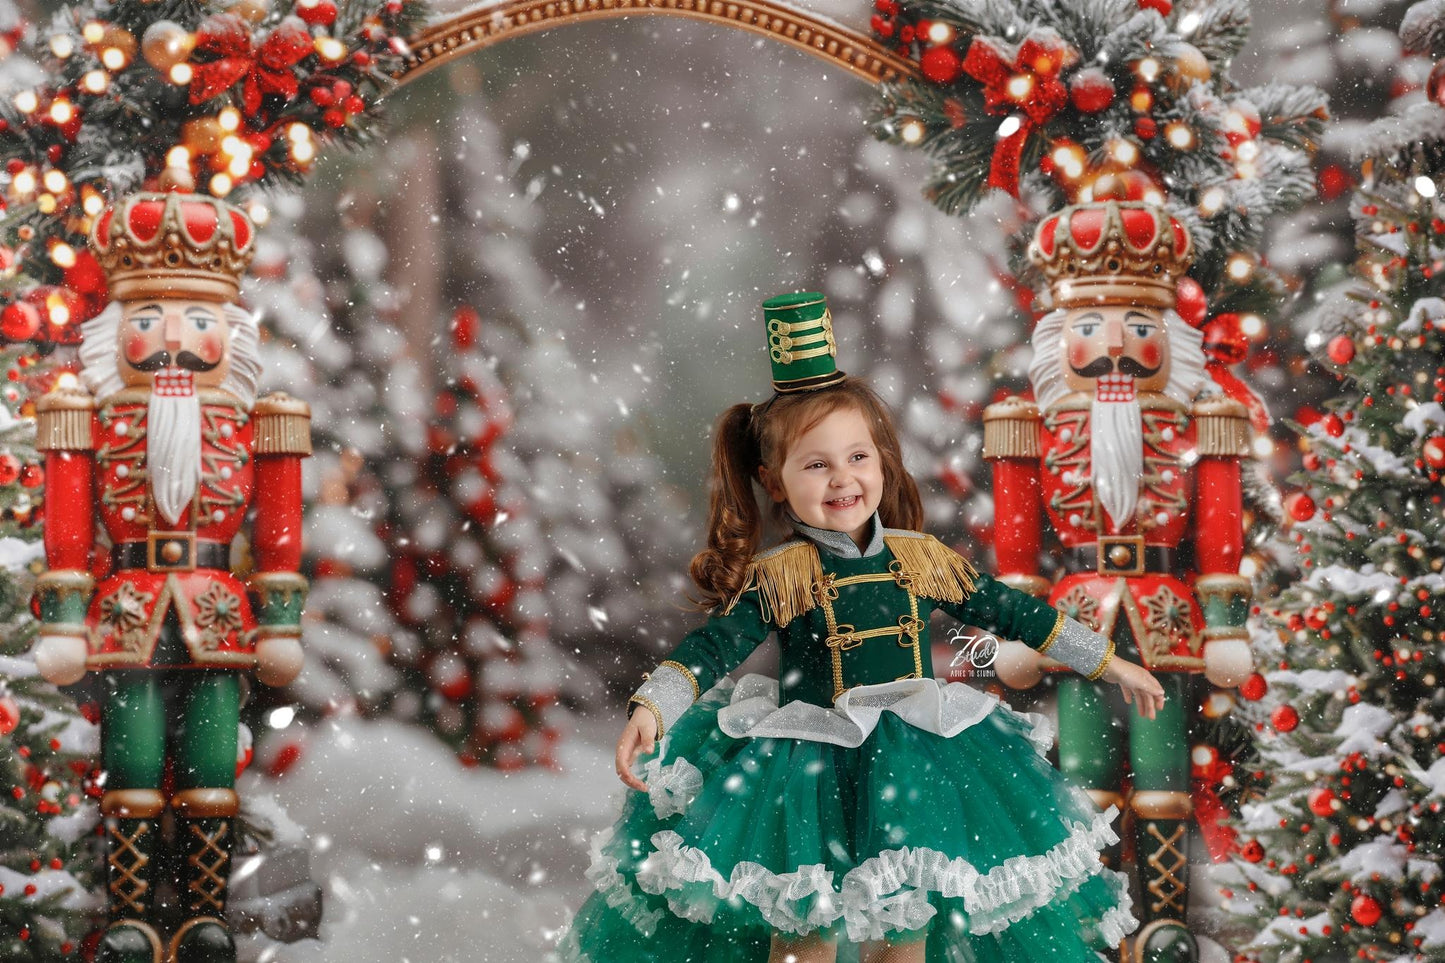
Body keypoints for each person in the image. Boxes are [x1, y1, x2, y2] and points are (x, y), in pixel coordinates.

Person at [553, 292, 1164, 963]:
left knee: (905, 933)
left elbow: (1015, 612)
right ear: (774, 481)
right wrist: (654, 703)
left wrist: (1104, 659)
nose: (843, 478)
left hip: (916, 761)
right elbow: (715, 644)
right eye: (816, 464)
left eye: (858, 457)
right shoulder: (783, 574)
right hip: (806, 768)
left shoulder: (920, 558)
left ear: (881, 461)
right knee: (803, 933)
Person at [31, 174, 310, 963]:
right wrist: (60, 618)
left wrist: (282, 618)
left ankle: (202, 915)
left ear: (230, 328)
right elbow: (67, 525)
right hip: (126, 604)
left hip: (220, 606)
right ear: (117, 328)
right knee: (133, 760)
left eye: (194, 318)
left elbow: (281, 528)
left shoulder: (262, 419)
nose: (171, 340)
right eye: (148, 318)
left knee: (213, 763)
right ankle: (131, 916)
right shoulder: (86, 415)